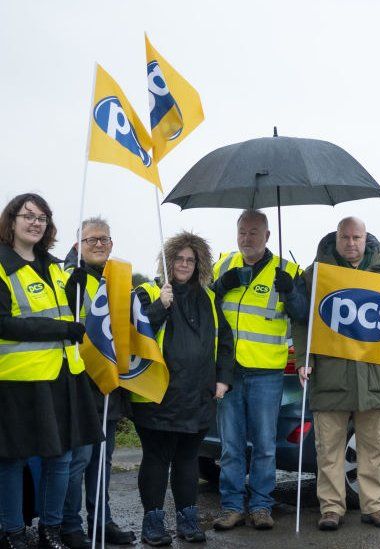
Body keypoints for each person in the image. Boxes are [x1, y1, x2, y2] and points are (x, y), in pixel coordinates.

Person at [293, 217, 380, 531]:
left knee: (374, 449)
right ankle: (331, 509)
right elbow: (300, 321)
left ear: (366, 240)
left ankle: (375, 507)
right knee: (329, 450)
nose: (351, 243)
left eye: (357, 237)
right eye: (345, 237)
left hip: (373, 379)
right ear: (336, 239)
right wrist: (303, 358)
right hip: (330, 377)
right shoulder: (316, 276)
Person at [0, 193, 102, 549]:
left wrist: (82, 280)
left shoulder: (58, 267)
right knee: (10, 460)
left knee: (60, 458)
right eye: (28, 215)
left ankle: (51, 529)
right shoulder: (1, 266)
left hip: (63, 376)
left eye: (42, 217)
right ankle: (13, 532)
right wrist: (60, 329)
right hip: (18, 380)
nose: (35, 222)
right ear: (11, 220)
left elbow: (80, 310)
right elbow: (4, 324)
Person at [132, 231, 234, 546]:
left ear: (199, 263)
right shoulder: (148, 292)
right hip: (157, 395)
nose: (184, 264)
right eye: (179, 258)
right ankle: (153, 525)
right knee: (157, 459)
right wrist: (160, 307)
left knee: (189, 460)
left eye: (191, 260)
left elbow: (226, 341)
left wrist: (222, 379)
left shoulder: (209, 298)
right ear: (168, 259)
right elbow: (133, 335)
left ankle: (188, 522)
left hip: (198, 396)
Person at [210, 210, 304, 531]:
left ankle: (261, 506)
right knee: (231, 445)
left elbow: (304, 316)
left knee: (264, 445)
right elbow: (202, 301)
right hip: (229, 371)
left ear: (267, 236)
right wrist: (220, 285)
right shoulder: (223, 265)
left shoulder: (289, 270)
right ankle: (232, 506)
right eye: (242, 232)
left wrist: (291, 293)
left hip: (266, 372)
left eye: (253, 232)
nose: (246, 238)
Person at [59, 217, 136, 548]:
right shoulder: (66, 278)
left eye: (104, 239)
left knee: (102, 461)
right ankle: (70, 525)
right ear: (78, 245)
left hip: (107, 382)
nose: (99, 244)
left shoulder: (118, 279)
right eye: (92, 240)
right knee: (79, 460)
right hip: (78, 383)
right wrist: (68, 290)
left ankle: (101, 522)